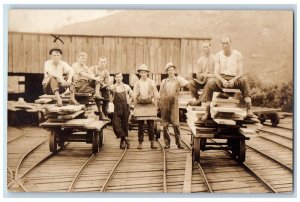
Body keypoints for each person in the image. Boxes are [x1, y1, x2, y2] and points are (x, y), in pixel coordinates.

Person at [200, 36, 254, 121]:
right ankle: (207, 112)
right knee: (210, 83)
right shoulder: (218, 55)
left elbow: (240, 72)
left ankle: (249, 109)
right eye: (223, 43)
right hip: (222, 78)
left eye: (227, 43)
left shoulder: (237, 54)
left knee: (244, 80)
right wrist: (223, 80)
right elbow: (216, 73)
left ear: (230, 43)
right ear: (221, 44)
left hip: (234, 78)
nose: (225, 45)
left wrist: (233, 80)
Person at [159, 62, 189, 149]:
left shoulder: (178, 80)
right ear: (167, 72)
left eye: (172, 70)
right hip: (165, 103)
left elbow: (187, 83)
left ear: (174, 71)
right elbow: (161, 93)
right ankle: (167, 143)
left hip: (174, 103)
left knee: (176, 124)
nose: (170, 71)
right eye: (169, 70)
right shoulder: (164, 81)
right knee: (165, 125)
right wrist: (160, 104)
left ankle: (179, 143)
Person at [72, 52, 109, 119]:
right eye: (82, 58)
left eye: (85, 58)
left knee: (99, 92)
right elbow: (83, 74)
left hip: (86, 85)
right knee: (96, 79)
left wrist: (99, 79)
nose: (83, 60)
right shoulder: (75, 65)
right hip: (78, 85)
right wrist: (95, 77)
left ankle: (101, 113)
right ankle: (101, 113)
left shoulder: (86, 67)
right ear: (78, 58)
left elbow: (91, 75)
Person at [132, 64, 159, 150]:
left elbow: (156, 95)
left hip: (149, 104)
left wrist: (156, 106)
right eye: (142, 72)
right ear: (139, 74)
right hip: (140, 105)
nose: (143, 74)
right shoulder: (137, 83)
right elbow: (134, 96)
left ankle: (152, 142)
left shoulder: (152, 82)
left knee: (150, 125)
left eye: (145, 72)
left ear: (147, 73)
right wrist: (135, 107)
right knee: (140, 126)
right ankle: (140, 143)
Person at [188, 41, 215, 106]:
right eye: (204, 47)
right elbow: (198, 74)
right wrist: (200, 76)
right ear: (203, 49)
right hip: (202, 81)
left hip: (211, 81)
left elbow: (216, 73)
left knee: (209, 82)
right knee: (190, 83)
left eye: (207, 47)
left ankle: (200, 101)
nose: (206, 49)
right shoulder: (200, 61)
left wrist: (207, 75)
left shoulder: (215, 59)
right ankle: (197, 99)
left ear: (210, 47)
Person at [110, 73, 132, 149]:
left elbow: (132, 95)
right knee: (115, 125)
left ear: (122, 78)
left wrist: (129, 101)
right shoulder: (112, 87)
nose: (118, 78)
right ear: (115, 78)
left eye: (120, 77)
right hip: (116, 107)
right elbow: (109, 95)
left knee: (125, 124)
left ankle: (123, 141)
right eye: (117, 77)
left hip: (125, 106)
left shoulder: (126, 87)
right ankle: (126, 137)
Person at [90, 56, 111, 121]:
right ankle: (96, 93)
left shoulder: (106, 72)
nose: (103, 63)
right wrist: (98, 78)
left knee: (107, 91)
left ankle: (104, 112)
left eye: (104, 62)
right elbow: (90, 76)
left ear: (106, 63)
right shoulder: (93, 68)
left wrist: (103, 85)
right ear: (98, 62)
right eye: (101, 62)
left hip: (100, 85)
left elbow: (106, 83)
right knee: (98, 77)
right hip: (91, 84)